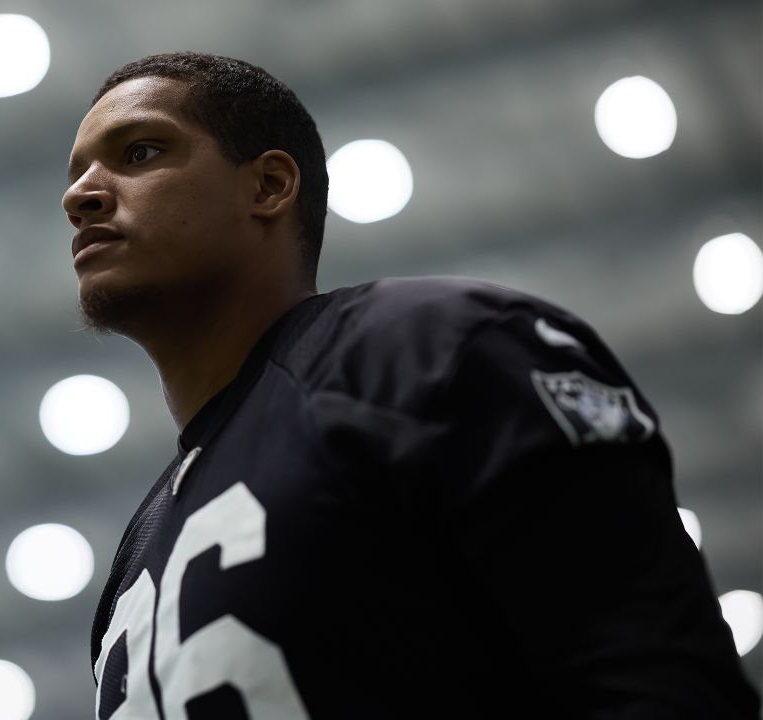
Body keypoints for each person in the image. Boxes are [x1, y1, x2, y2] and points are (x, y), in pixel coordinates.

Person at [61, 51, 760, 719]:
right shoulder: (134, 557)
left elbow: (656, 684)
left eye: (140, 153)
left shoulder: (432, 347)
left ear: (268, 186)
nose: (80, 196)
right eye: (77, 173)